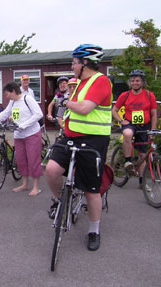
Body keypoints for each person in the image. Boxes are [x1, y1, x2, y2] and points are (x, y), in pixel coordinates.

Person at [45, 44, 112, 251]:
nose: (72, 66)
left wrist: (67, 102)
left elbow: (84, 108)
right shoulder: (81, 83)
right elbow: (71, 113)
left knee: (91, 190)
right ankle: (61, 201)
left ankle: (94, 230)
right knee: (51, 170)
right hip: (70, 137)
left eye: (74, 62)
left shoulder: (100, 81)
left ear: (84, 63)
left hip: (93, 141)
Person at [0, 82, 44, 196]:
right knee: (21, 160)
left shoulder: (28, 99)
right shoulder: (12, 102)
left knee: (33, 160)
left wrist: (24, 124)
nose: (7, 97)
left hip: (31, 134)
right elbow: (6, 113)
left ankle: (36, 187)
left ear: (13, 91)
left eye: (7, 94)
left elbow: (38, 114)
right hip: (18, 135)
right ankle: (25, 184)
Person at [112, 69, 158, 189]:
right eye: (132, 81)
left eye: (137, 80)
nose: (134, 83)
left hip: (144, 125)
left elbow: (154, 114)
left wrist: (152, 130)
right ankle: (128, 161)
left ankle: (142, 182)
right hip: (130, 123)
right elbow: (114, 110)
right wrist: (121, 121)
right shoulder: (125, 95)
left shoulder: (149, 95)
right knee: (127, 134)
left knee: (142, 155)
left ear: (142, 82)